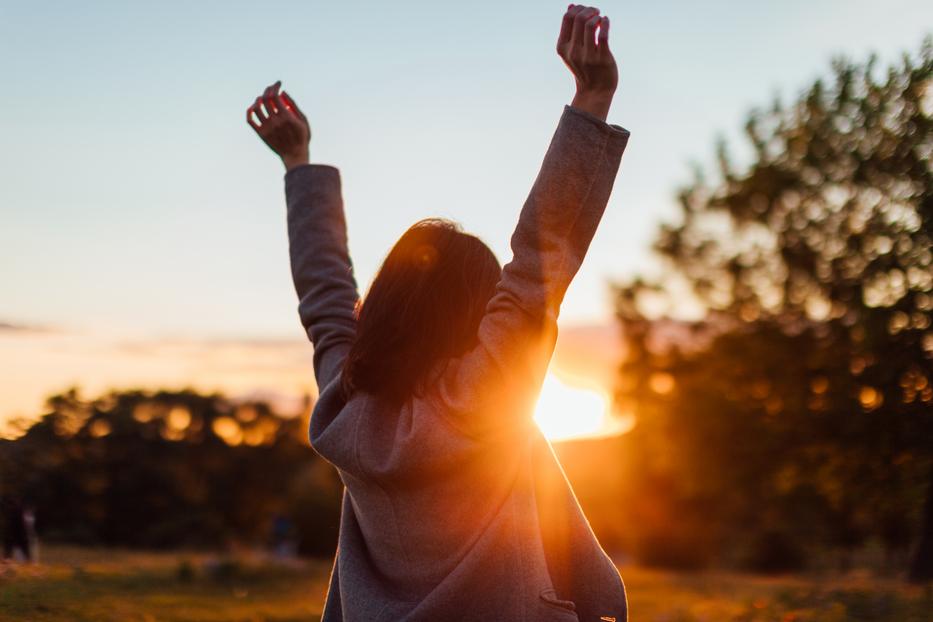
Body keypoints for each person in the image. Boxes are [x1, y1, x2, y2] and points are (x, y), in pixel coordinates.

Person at [247, 5, 630, 620]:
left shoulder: (344, 407)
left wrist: (300, 165)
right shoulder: (483, 395)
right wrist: (591, 98)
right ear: (475, 317)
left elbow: (325, 300)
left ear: (379, 311)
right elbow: (538, 263)